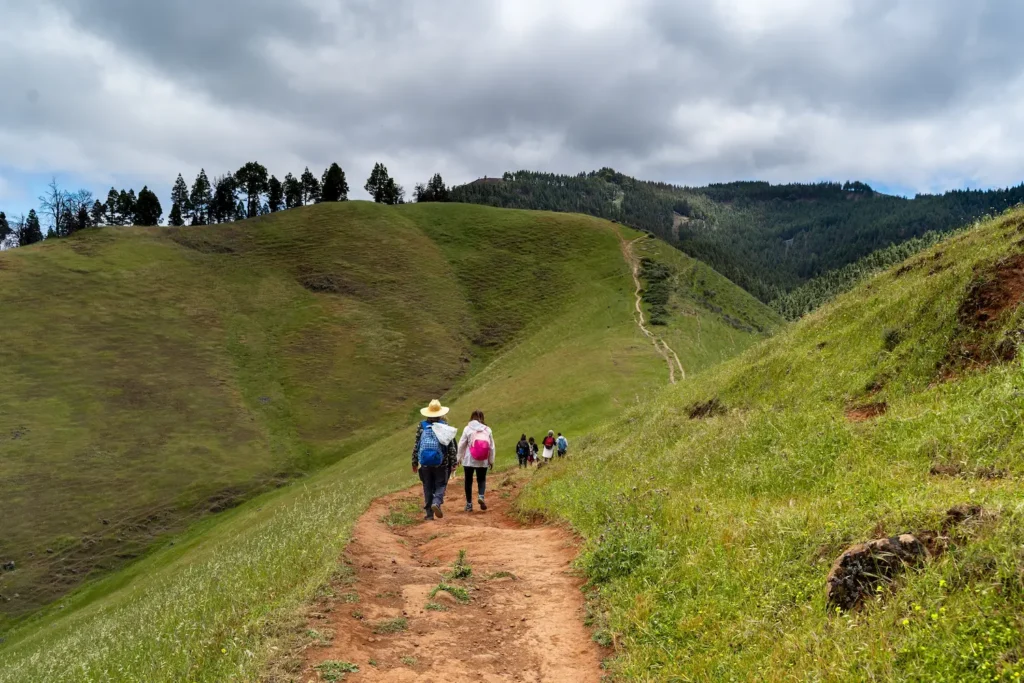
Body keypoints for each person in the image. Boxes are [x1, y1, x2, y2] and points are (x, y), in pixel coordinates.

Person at [412, 399, 459, 520]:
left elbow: (417, 444)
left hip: (425, 464)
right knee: (441, 484)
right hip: (441, 463)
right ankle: (436, 502)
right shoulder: (444, 426)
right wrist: (453, 462)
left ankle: (429, 515)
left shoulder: (422, 426)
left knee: (427, 486)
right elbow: (451, 447)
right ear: (440, 413)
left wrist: (414, 462)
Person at [457, 410, 495, 511]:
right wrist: (491, 460)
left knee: (468, 481)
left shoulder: (467, 429)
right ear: (482, 418)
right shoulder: (487, 429)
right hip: (483, 460)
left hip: (469, 459)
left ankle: (469, 504)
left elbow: (461, 444)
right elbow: (491, 447)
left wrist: (458, 458)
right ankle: (481, 496)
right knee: (481, 479)